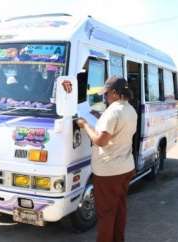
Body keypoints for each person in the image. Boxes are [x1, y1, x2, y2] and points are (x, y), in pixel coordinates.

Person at [76, 76, 137, 242]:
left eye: (107, 93)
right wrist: (100, 115)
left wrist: (85, 125)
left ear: (115, 93)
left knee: (106, 214)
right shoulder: (129, 109)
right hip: (125, 167)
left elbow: (101, 141)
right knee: (119, 209)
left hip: (109, 171)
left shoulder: (112, 112)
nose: (105, 96)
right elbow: (117, 129)